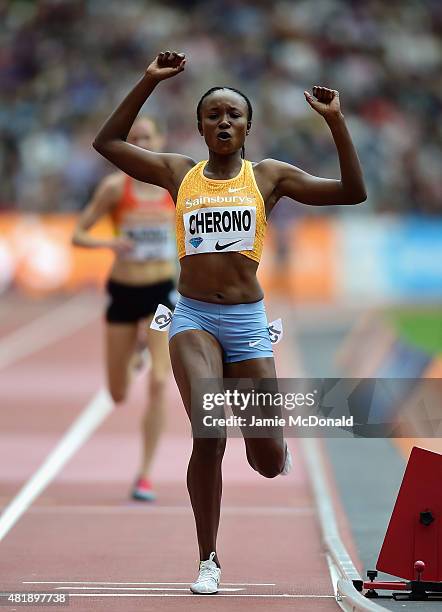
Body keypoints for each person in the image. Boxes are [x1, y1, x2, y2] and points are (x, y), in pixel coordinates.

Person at [92, 50, 367, 594]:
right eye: (213, 114)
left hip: (247, 321)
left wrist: (336, 122)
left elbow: (351, 192)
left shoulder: (270, 177)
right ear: (199, 126)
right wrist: (148, 81)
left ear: (247, 127)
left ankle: (273, 444)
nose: (223, 122)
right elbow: (108, 144)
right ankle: (208, 559)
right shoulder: (178, 173)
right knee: (208, 424)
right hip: (191, 314)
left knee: (265, 460)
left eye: (232, 115)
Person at [72, 117, 176, 502]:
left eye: (148, 137)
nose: (142, 144)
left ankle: (145, 474)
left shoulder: (176, 187)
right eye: (134, 140)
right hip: (123, 291)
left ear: (160, 140)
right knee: (117, 393)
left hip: (162, 292)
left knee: (160, 382)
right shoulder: (116, 188)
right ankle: (138, 348)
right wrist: (108, 246)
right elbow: (78, 233)